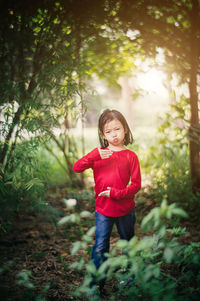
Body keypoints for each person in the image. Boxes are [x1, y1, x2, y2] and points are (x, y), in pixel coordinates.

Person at [73, 109, 141, 295]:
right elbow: (76, 167)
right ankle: (96, 282)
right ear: (103, 134)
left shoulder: (130, 156)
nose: (114, 134)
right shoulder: (99, 155)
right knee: (101, 245)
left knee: (127, 242)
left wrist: (116, 193)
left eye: (117, 129)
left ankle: (129, 277)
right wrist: (94, 155)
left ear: (125, 129)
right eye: (108, 131)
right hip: (103, 210)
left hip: (126, 209)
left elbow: (136, 185)